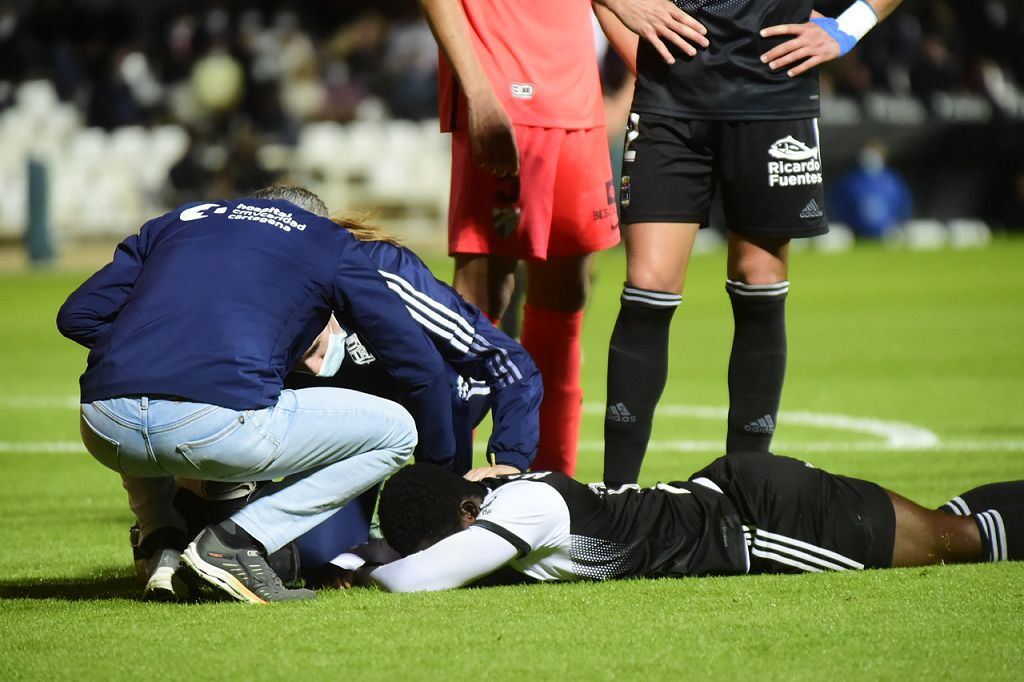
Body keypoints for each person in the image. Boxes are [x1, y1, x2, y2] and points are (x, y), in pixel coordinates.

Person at [56, 185, 458, 604]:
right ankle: (235, 544)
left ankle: (161, 540)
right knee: (396, 431)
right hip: (214, 424)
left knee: (147, 377)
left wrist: (160, 352)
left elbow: (76, 316)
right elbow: (420, 364)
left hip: (103, 427)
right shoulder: (322, 237)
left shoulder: (177, 220)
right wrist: (438, 474)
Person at [124, 215, 544, 597]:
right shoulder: (242, 297)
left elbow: (505, 362)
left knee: (435, 537)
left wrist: (505, 459)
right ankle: (176, 535)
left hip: (440, 414)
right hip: (342, 436)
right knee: (312, 557)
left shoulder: (384, 273)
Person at [601, 0, 905, 487]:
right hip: (669, 100)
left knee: (758, 279)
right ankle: (615, 498)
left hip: (773, 97)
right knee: (647, 285)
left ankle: (744, 493)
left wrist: (849, 27)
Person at [418, 0, 710, 476]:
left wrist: (673, 79)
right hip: (505, 88)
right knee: (479, 297)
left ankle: (551, 480)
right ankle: (447, 486)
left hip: (577, 99)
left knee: (567, 294)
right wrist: (478, 92)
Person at [333, 454, 1022, 592]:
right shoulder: (512, 493)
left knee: (958, 543)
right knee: (953, 521)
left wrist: (364, 571)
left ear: (465, 513)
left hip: (760, 524)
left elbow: (416, 581)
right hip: (741, 493)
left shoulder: (526, 510)